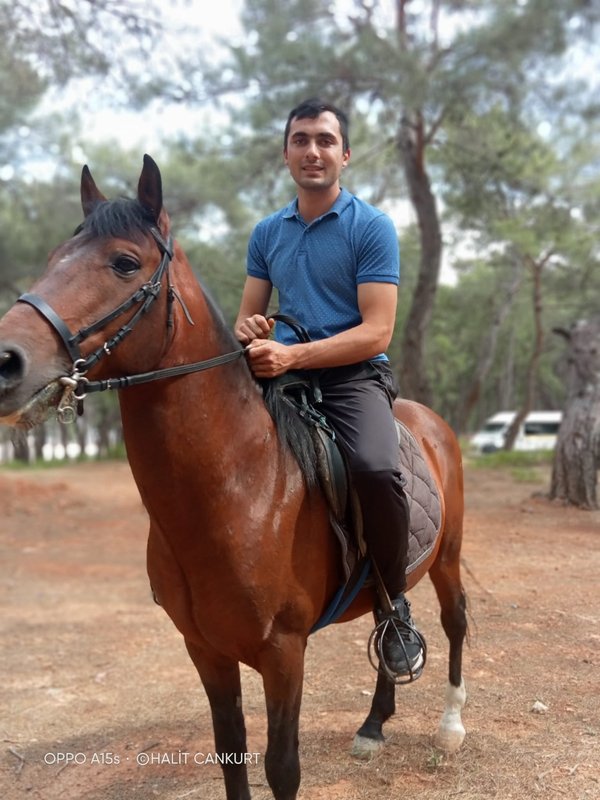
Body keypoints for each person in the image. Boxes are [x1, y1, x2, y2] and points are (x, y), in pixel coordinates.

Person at [234, 97, 425, 679]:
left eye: (323, 140)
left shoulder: (371, 227)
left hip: (352, 375)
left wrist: (294, 352)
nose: (311, 151)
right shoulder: (268, 232)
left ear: (344, 154)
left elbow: (377, 330)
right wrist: (250, 332)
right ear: (286, 153)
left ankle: (394, 607)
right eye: (300, 140)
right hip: (283, 373)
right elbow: (249, 317)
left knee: (373, 467)